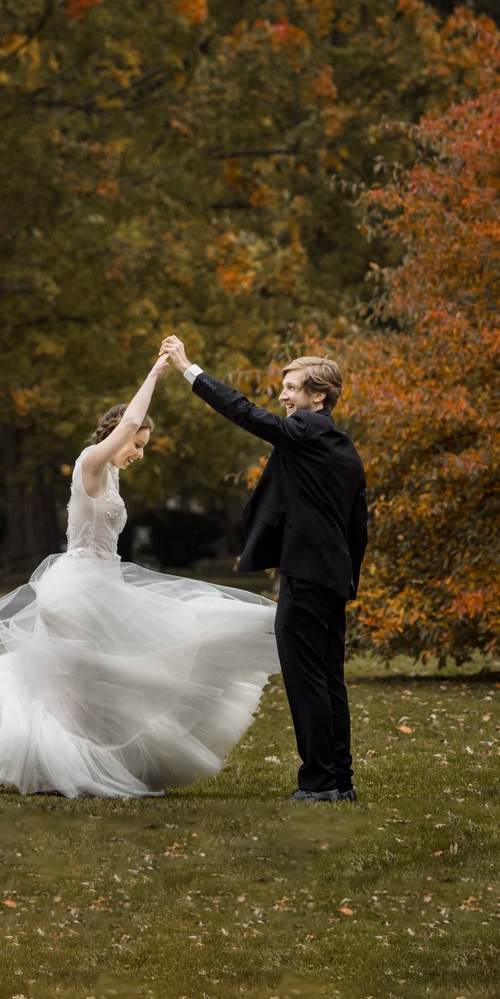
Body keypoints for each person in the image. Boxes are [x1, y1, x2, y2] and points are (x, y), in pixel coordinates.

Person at [0, 354, 280, 798]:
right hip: (77, 588)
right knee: (84, 680)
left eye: (143, 446)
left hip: (100, 583)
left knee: (99, 679)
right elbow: (133, 416)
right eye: (137, 444)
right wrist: (157, 372)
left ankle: (83, 762)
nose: (139, 452)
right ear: (119, 435)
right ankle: (69, 764)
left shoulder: (110, 473)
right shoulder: (91, 465)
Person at [160, 336, 367, 803]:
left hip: (309, 576)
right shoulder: (342, 447)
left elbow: (245, 413)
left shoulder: (307, 432)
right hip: (332, 578)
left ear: (319, 397)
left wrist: (190, 369)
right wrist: (348, 576)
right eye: (284, 387)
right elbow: (359, 525)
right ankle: (339, 782)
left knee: (307, 680)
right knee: (329, 680)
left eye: (292, 388)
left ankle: (318, 784)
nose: (283, 396)